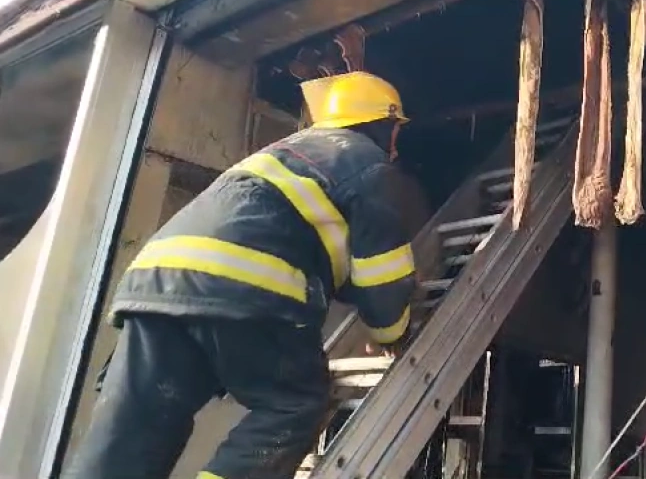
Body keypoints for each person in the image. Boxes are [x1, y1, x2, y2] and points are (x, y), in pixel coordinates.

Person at [63, 72, 418, 479]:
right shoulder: (367, 162)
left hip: (156, 284)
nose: (396, 142)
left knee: (133, 426)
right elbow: (382, 274)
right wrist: (391, 333)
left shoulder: (287, 153)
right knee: (294, 403)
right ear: (383, 123)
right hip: (244, 287)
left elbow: (311, 246)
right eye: (396, 129)